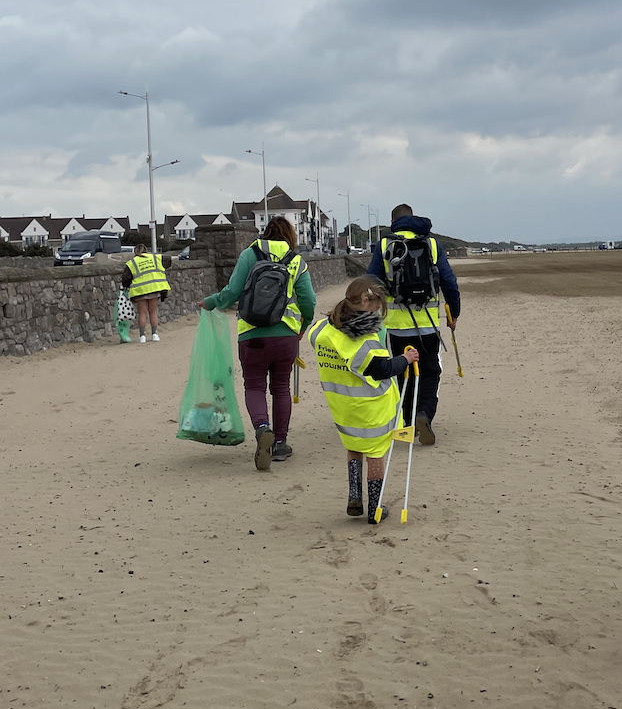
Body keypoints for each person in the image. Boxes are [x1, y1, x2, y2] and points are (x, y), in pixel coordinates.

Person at [198, 218, 316, 471]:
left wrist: (209, 302)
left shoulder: (249, 254)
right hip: (285, 336)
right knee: (281, 387)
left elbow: (231, 292)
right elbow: (309, 300)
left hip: (252, 335)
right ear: (290, 236)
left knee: (254, 385)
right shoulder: (297, 261)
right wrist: (302, 325)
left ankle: (263, 429)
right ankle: (281, 444)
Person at [308, 277, 419, 523]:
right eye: (377, 307)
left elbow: (314, 336)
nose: (379, 314)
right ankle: (375, 506)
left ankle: (354, 496)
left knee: (354, 446)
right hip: (369, 406)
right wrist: (405, 359)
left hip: (341, 406)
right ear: (366, 301)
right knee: (376, 452)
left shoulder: (324, 329)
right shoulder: (363, 340)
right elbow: (380, 368)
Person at [367, 204, 461, 446]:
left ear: (393, 221)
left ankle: (407, 423)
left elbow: (370, 281)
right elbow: (449, 282)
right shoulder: (431, 244)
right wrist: (454, 314)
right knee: (430, 372)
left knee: (400, 373)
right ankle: (424, 414)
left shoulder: (385, 245)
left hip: (396, 328)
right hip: (428, 326)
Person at [122, 244, 172, 343]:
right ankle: (154, 335)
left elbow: (125, 279)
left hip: (140, 291)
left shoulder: (132, 263)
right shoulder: (155, 258)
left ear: (135, 252)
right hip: (154, 288)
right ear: (146, 251)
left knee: (142, 313)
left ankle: (142, 336)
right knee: (153, 312)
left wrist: (126, 287)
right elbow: (168, 260)